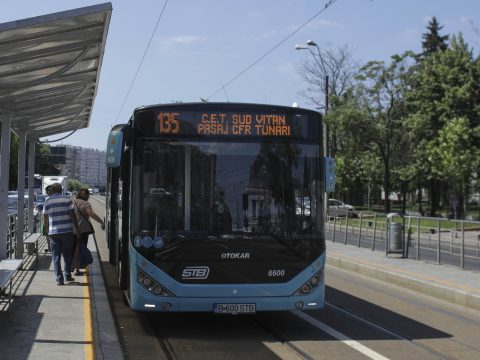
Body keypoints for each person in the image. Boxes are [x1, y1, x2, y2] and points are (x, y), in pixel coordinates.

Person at [43, 183, 80, 285]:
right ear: (61, 189)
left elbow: (45, 218)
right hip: (67, 231)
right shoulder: (67, 198)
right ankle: (68, 275)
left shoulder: (47, 200)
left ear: (53, 190)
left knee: (56, 256)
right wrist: (76, 229)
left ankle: (59, 279)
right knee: (67, 254)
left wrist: (47, 230)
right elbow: (72, 215)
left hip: (53, 232)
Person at [73, 188, 105, 276]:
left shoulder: (73, 201)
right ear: (86, 195)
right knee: (81, 249)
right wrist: (101, 221)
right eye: (88, 195)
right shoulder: (85, 203)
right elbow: (91, 214)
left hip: (72, 230)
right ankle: (77, 268)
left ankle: (74, 267)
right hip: (83, 230)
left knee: (75, 248)